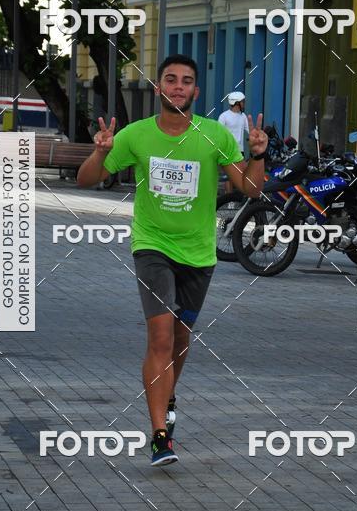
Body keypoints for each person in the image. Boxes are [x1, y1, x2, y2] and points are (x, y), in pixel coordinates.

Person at [77, 54, 268, 466]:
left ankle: (168, 396)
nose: (178, 86)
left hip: (199, 253)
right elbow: (87, 179)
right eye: (170, 79)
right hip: (152, 247)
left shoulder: (214, 134)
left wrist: (257, 155)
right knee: (161, 338)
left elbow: (250, 189)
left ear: (195, 90)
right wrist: (100, 152)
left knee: (180, 339)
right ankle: (159, 435)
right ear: (158, 87)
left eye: (186, 81)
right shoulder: (136, 135)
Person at [218, 92, 249, 192]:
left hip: (240, 151)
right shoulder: (224, 116)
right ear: (236, 103)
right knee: (228, 176)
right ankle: (229, 198)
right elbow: (219, 134)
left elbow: (249, 130)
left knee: (241, 174)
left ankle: (238, 197)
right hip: (228, 151)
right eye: (242, 102)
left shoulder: (243, 116)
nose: (244, 104)